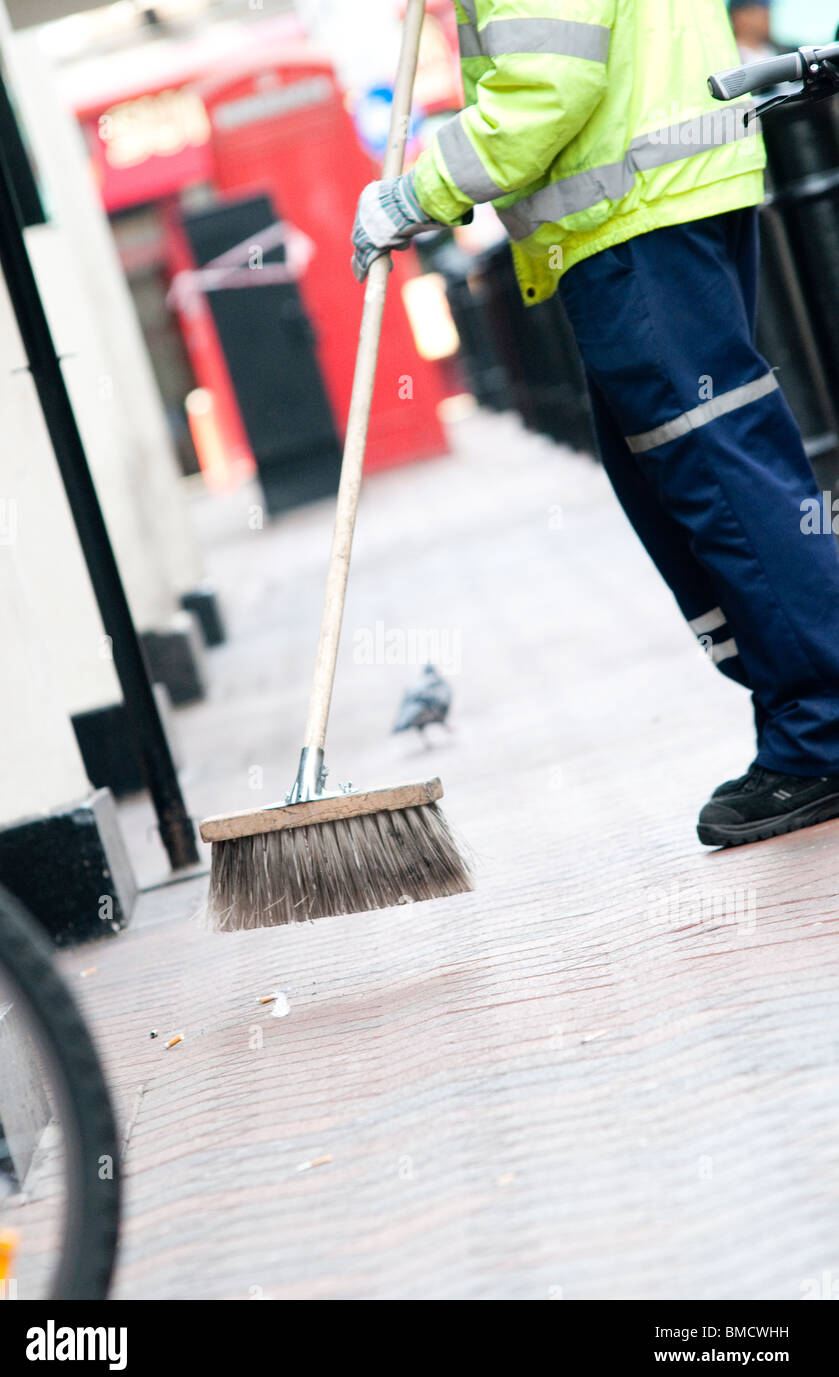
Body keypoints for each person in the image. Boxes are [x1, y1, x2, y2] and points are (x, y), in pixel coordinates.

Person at [351, 0, 839, 848]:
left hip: (634, 212)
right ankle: (800, 711)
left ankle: (818, 736)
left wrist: (417, 193)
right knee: (685, 466)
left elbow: (547, 90)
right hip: (657, 198)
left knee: (714, 470)